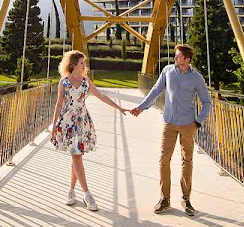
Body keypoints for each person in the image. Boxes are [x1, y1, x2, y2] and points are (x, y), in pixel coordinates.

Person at [130, 43, 210, 216]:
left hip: (188, 124)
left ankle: (186, 199)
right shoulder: (167, 71)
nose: (175, 58)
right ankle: (164, 199)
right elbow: (155, 90)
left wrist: (198, 122)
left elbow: (207, 102)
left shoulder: (196, 78)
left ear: (187, 59)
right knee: (163, 160)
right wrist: (141, 108)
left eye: (178, 56)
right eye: (175, 55)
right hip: (169, 123)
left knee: (186, 161)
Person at [50, 49, 127, 211]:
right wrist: (54, 124)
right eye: (81, 63)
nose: (84, 66)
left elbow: (101, 95)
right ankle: (87, 194)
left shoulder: (86, 81)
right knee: (76, 156)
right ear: (73, 65)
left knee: (76, 156)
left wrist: (118, 107)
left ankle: (71, 191)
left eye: (84, 63)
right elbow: (59, 103)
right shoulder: (63, 82)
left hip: (82, 122)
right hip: (67, 123)